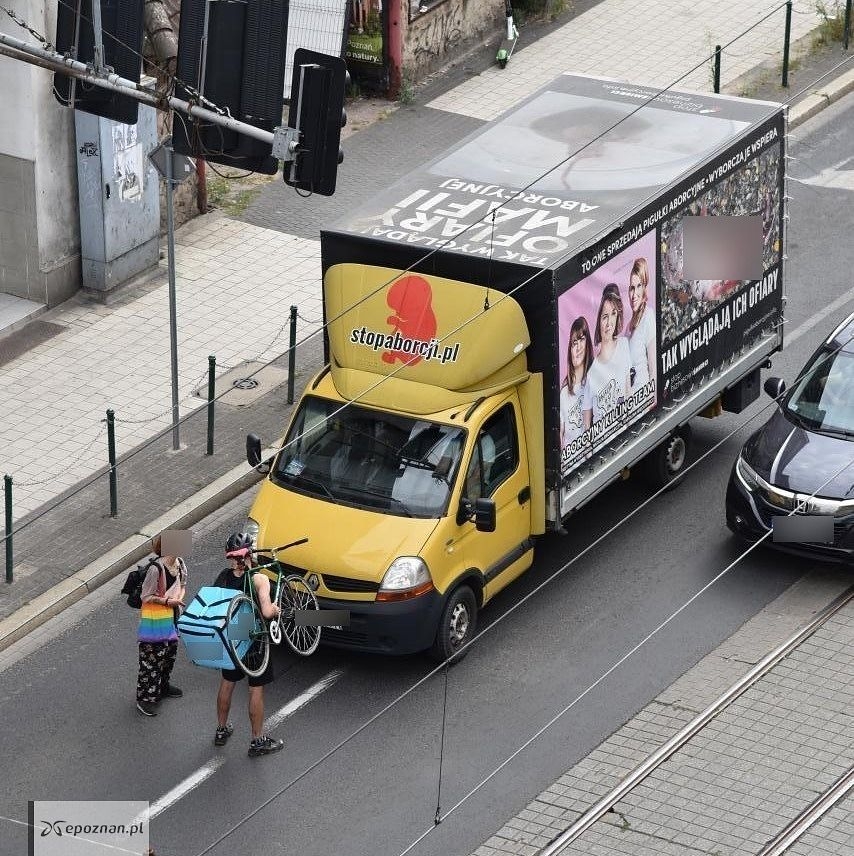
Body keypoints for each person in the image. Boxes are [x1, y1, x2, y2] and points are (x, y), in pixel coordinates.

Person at [212, 533, 284, 757]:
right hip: (254, 638)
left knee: (227, 683)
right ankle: (257, 740)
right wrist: (275, 609)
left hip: (232, 635)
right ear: (250, 553)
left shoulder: (224, 576)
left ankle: (222, 730)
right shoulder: (258, 579)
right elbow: (265, 612)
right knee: (255, 688)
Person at [136, 535, 187, 717]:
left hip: (172, 619)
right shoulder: (155, 569)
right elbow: (145, 596)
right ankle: (145, 699)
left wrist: (178, 599)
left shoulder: (179, 563)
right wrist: (167, 602)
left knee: (168, 656)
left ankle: (162, 687)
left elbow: (182, 585)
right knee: (151, 661)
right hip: (155, 622)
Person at [584, 283, 631, 426]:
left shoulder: (623, 346)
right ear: (599, 321)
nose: (609, 322)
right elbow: (587, 422)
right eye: (605, 316)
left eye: (613, 314)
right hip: (602, 444)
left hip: (625, 436)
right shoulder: (591, 372)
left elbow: (628, 391)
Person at [560, 316, 593, 452]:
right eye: (574, 343)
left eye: (582, 340)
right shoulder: (564, 393)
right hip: (571, 465)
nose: (578, 347)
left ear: (588, 344)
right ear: (569, 350)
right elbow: (560, 433)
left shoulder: (593, 380)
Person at [627, 258, 656, 391]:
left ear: (645, 288)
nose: (634, 295)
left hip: (644, 402)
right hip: (630, 404)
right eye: (632, 288)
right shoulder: (628, 327)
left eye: (639, 286)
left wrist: (652, 398)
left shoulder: (648, 316)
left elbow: (653, 365)